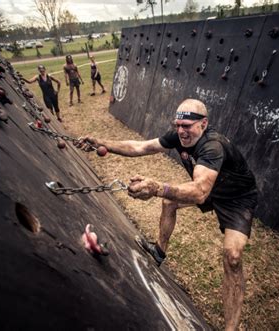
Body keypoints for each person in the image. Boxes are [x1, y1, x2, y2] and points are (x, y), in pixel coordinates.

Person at [78, 99, 258, 330]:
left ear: (204, 124)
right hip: (210, 187)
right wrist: (102, 143)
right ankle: (159, 252)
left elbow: (200, 192)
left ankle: (231, 329)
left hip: (237, 198)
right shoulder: (179, 136)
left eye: (187, 126)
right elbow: (141, 147)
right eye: (178, 125)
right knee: (169, 202)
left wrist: (156, 187)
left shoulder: (213, 146)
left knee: (233, 256)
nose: (181, 131)